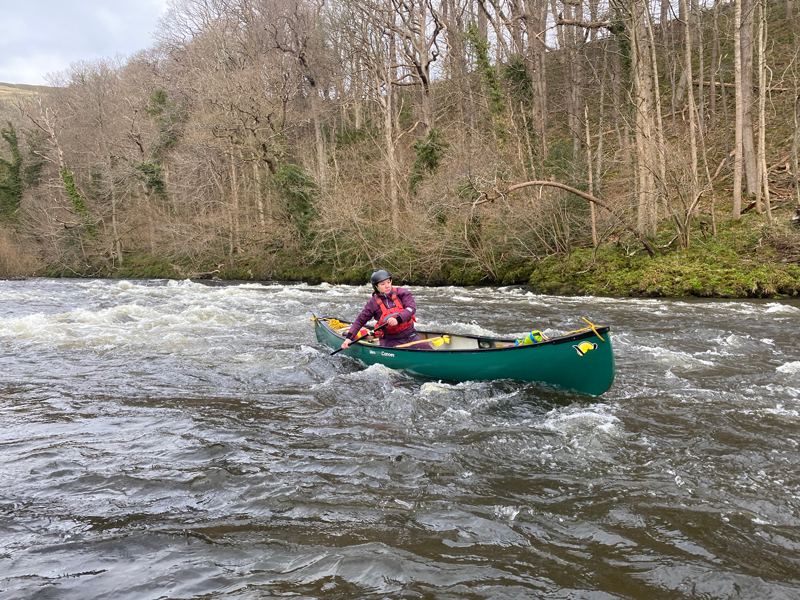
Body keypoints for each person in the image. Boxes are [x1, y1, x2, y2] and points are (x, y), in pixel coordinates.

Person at [340, 270, 432, 350]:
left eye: (388, 282)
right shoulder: (372, 303)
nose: (387, 286)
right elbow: (360, 320)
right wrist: (349, 338)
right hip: (390, 340)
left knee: (430, 352)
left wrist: (397, 319)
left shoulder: (403, 293)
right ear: (376, 286)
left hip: (410, 335)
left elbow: (411, 308)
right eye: (382, 284)